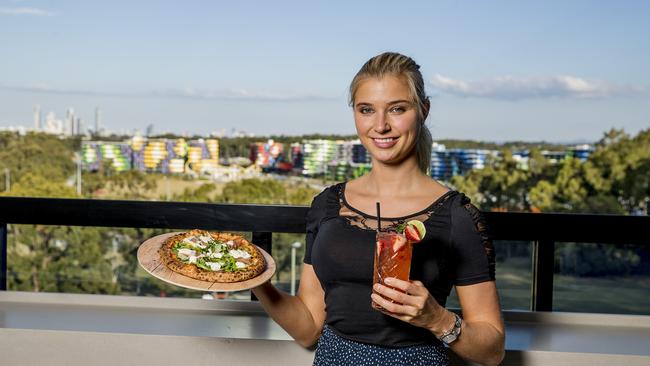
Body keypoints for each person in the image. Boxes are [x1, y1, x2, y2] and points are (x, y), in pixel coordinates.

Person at [252, 52, 505, 366]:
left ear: (423, 110)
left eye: (397, 108)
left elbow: (492, 351)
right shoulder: (328, 206)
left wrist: (437, 320)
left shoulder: (456, 215)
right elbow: (308, 328)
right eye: (366, 110)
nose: (381, 125)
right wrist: (255, 279)